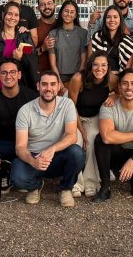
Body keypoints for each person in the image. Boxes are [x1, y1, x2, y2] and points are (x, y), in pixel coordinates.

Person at [11, 71, 84, 207]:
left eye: (52, 84)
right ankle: (35, 186)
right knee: (17, 177)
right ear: (38, 86)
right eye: (44, 84)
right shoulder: (25, 110)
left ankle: (66, 189)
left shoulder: (67, 104)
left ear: (58, 87)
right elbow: (20, 147)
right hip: (34, 156)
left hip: (57, 156)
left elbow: (72, 135)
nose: (48, 88)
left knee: (77, 153)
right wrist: (33, 161)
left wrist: (52, 149)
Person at [93, 68, 133, 200]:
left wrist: (132, 160)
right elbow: (107, 137)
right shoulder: (108, 106)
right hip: (117, 151)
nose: (129, 87)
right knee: (100, 140)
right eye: (125, 83)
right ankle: (105, 186)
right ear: (119, 86)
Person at [68, 52, 113, 196]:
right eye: (96, 65)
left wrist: (115, 95)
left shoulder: (111, 79)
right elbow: (71, 107)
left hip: (95, 117)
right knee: (76, 143)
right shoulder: (78, 79)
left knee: (93, 143)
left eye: (104, 65)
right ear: (90, 66)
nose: (100, 69)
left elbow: (123, 91)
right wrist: (82, 132)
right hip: (76, 116)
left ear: (108, 67)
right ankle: (75, 183)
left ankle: (90, 182)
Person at [0, 2, 36, 94]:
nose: (12, 17)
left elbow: (32, 61)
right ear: (3, 15)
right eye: (9, 14)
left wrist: (20, 58)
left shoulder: (24, 36)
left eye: (16, 15)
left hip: (20, 83)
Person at [87, 5, 133, 77]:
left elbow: (126, 70)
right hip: (98, 76)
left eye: (115, 17)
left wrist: (114, 76)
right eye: (108, 17)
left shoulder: (128, 42)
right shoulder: (96, 37)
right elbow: (89, 63)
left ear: (120, 20)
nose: (112, 20)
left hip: (119, 78)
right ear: (104, 20)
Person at [46, 0, 88, 83]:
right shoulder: (53, 33)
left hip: (77, 77)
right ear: (61, 12)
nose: (68, 14)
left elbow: (83, 61)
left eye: (72, 12)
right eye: (66, 11)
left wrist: (78, 80)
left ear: (75, 15)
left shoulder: (83, 33)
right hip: (59, 77)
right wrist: (60, 85)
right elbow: (53, 64)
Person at [33, 0, 58, 74]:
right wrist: (42, 48)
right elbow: (27, 54)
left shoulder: (62, 25)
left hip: (61, 73)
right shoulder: (33, 27)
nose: (47, 7)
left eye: (49, 3)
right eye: (42, 4)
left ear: (55, 5)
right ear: (37, 8)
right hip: (40, 73)